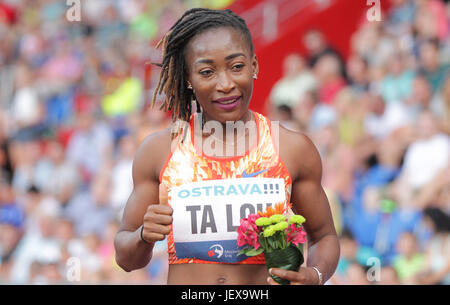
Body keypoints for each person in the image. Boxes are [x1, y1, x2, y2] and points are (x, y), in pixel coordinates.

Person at [114, 8, 339, 285]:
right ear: (188, 78)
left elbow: (324, 236)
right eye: (207, 72)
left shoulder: (292, 149)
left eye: (237, 67)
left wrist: (315, 275)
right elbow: (126, 259)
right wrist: (142, 236)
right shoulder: (158, 152)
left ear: (254, 66)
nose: (226, 84)